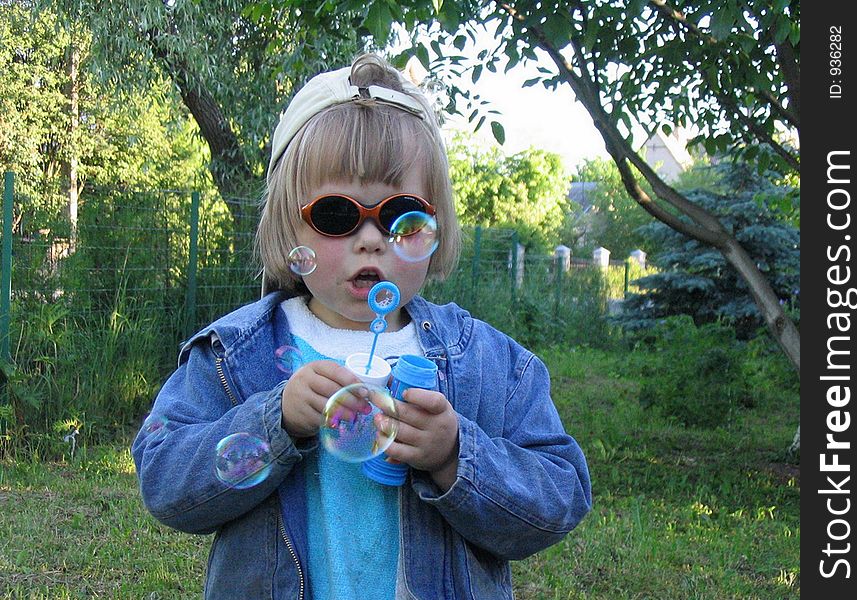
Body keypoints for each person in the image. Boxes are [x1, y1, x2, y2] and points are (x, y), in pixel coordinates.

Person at [132, 53, 591, 600]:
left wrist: (455, 455)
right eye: (335, 215)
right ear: (287, 224)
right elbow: (163, 480)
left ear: (434, 222)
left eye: (400, 215)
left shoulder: (488, 362)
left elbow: (559, 496)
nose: (370, 238)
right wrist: (272, 419)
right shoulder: (235, 356)